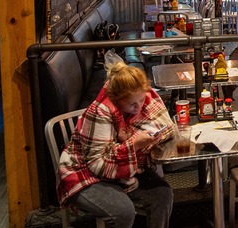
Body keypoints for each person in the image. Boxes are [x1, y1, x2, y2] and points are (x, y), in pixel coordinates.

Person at [56, 62, 175, 228]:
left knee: (163, 195)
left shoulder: (146, 98)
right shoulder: (100, 111)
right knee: (123, 211)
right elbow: (97, 165)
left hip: (122, 169)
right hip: (82, 172)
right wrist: (133, 145)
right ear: (118, 100)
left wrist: (139, 141)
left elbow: (167, 127)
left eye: (141, 99)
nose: (139, 106)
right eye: (132, 103)